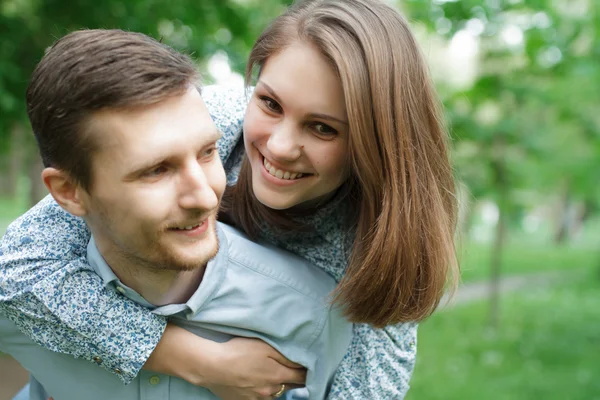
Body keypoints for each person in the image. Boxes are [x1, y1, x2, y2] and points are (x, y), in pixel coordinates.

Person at [0, 0, 459, 398]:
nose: (279, 146)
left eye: (323, 128)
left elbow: (368, 389)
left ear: (378, 143)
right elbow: (16, 268)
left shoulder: (376, 242)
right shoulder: (210, 123)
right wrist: (195, 360)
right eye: (270, 104)